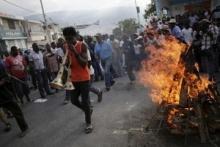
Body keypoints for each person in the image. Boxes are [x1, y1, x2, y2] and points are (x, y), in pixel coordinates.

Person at [63, 27, 93, 133]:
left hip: (84, 78)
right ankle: (87, 110)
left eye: (70, 38)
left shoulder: (82, 45)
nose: (68, 41)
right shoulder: (65, 46)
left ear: (75, 36)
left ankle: (88, 123)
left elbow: (84, 63)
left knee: (85, 101)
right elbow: (69, 63)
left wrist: (75, 51)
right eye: (66, 39)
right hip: (74, 78)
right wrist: (65, 62)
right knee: (74, 100)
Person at [0, 58, 29, 137]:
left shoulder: (0, 65)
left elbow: (6, 78)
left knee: (16, 111)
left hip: (5, 94)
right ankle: (7, 123)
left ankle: (24, 128)